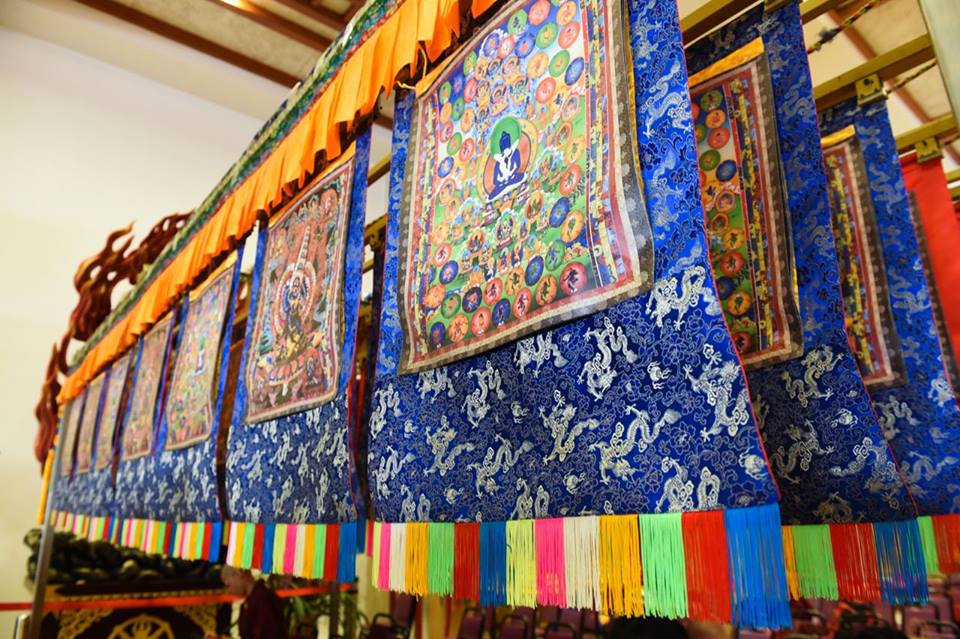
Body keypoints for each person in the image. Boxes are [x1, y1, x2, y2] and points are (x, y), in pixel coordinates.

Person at [206, 566, 289, 639]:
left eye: (228, 585)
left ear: (239, 573)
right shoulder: (251, 600)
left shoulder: (263, 598)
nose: (229, 590)